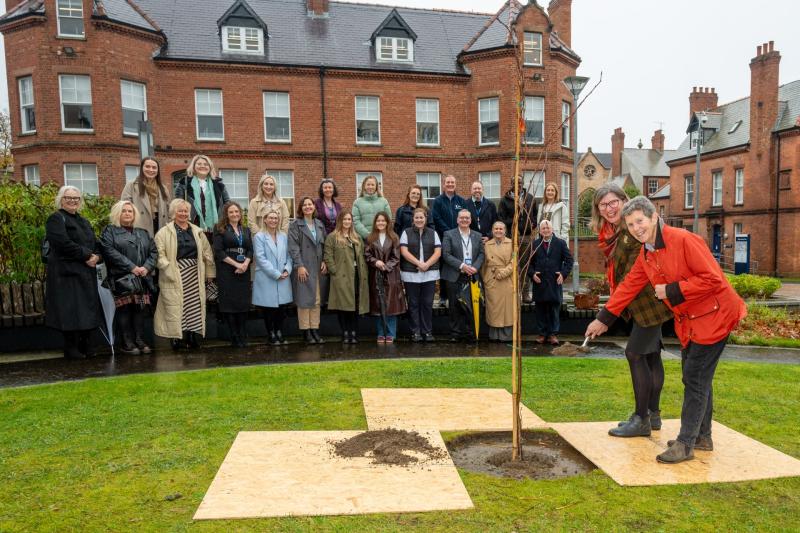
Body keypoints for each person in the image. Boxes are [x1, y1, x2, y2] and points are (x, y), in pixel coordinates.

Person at [585, 196, 747, 464]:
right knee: (697, 377)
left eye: (640, 221)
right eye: (631, 224)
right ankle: (702, 437)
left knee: (694, 377)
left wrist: (671, 290)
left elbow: (713, 278)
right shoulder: (647, 252)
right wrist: (603, 318)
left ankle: (686, 443)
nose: (637, 228)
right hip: (692, 320)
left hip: (716, 316)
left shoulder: (684, 239)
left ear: (654, 217)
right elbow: (629, 286)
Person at [591, 183, 673, 439]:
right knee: (650, 357)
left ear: (624, 200)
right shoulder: (610, 232)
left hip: (648, 300)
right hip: (637, 301)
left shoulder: (633, 228)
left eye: (613, 201)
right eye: (603, 205)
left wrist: (607, 315)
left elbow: (633, 276)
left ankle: (642, 419)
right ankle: (653, 414)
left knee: (635, 354)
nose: (609, 208)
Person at [45, 185, 103, 359]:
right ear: (61, 200)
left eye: (76, 198)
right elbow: (61, 243)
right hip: (66, 273)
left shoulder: (84, 221)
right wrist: (87, 255)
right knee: (69, 311)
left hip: (85, 272)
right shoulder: (55, 219)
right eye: (68, 198)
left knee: (86, 310)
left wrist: (98, 257)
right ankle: (71, 347)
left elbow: (96, 243)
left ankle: (86, 345)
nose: (72, 201)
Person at [154, 199, 215, 350]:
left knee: (194, 306)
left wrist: (209, 274)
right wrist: (168, 269)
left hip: (195, 273)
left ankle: (192, 337)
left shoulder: (197, 231)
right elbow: (158, 255)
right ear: (173, 213)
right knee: (175, 307)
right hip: (174, 274)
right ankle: (175, 338)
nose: (183, 213)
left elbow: (207, 253)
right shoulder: (163, 232)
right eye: (180, 211)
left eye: (186, 211)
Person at [100, 200, 158, 355]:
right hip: (122, 278)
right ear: (117, 213)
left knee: (140, 310)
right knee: (124, 310)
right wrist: (132, 267)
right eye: (124, 211)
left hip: (142, 278)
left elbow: (154, 252)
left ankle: (139, 340)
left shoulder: (143, 233)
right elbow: (109, 252)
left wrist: (146, 267)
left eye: (130, 211)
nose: (127, 214)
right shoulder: (109, 231)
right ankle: (127, 342)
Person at [324, 210, 369, 343]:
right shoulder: (333, 237)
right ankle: (345, 332)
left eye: (349, 219)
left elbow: (362, 256)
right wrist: (334, 271)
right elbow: (328, 255)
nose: (347, 222)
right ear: (340, 221)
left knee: (355, 306)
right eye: (345, 219)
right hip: (341, 277)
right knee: (343, 307)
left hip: (356, 276)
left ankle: (353, 332)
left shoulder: (357, 237)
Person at [212, 201, 253, 348]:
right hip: (227, 271)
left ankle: (242, 334)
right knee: (230, 305)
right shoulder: (219, 229)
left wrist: (245, 264)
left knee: (242, 304)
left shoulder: (246, 230)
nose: (235, 214)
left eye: (237, 211)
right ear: (226, 215)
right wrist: (237, 265)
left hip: (244, 271)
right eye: (231, 212)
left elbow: (250, 250)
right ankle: (234, 336)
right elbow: (219, 251)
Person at [288, 197, 328, 344]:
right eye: (304, 205)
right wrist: (299, 265)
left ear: (314, 207)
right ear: (301, 208)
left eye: (310, 204)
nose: (307, 207)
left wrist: (325, 261)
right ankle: (306, 332)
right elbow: (293, 247)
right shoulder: (295, 225)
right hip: (304, 267)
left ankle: (314, 329)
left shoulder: (319, 224)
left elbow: (324, 245)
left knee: (316, 300)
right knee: (304, 301)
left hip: (318, 267)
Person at [441, 209, 484, 342]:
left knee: (470, 305)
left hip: (472, 275)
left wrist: (474, 268)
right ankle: (455, 333)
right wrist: (462, 266)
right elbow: (446, 254)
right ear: (457, 220)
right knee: (454, 306)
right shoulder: (448, 234)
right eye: (462, 218)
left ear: (471, 220)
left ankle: (470, 332)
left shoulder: (477, 235)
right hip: (454, 275)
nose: (464, 220)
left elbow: (482, 254)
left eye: (467, 218)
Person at [399, 208, 441, 342]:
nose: (419, 220)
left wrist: (427, 264)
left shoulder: (433, 233)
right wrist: (419, 263)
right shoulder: (406, 232)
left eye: (421, 217)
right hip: (411, 274)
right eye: (416, 218)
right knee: (413, 304)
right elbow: (404, 251)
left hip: (429, 273)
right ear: (413, 219)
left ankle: (427, 332)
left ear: (426, 219)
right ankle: (415, 332)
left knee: (427, 303)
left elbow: (438, 252)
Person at [365, 212, 406, 343]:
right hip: (375, 275)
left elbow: (396, 257)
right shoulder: (370, 238)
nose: (381, 223)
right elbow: (367, 255)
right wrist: (375, 262)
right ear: (375, 223)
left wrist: (386, 266)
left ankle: (391, 333)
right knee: (378, 306)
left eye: (383, 221)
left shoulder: (394, 237)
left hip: (391, 275)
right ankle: (381, 332)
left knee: (391, 306)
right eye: (378, 221)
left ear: (388, 222)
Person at [253, 210, 293, 346]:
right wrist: (276, 273)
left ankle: (279, 332)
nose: (273, 220)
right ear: (264, 219)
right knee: (269, 309)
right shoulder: (259, 236)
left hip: (283, 276)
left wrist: (287, 269)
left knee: (282, 308)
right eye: (270, 218)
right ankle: (271, 334)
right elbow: (260, 258)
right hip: (267, 277)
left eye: (276, 218)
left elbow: (289, 256)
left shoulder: (284, 236)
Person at [530, 220, 573, 345]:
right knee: (540, 310)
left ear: (552, 230)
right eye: (543, 228)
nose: (546, 230)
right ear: (540, 230)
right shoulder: (535, 244)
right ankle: (542, 334)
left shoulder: (560, 243)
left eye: (548, 228)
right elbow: (528, 264)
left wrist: (563, 274)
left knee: (554, 309)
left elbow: (569, 261)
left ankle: (553, 334)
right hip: (539, 282)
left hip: (554, 283)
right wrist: (532, 274)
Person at [498, 175, 538, 303]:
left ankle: (525, 293)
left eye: (520, 182)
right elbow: (501, 219)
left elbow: (535, 214)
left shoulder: (530, 198)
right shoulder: (505, 200)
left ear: (523, 183)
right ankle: (513, 293)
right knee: (513, 265)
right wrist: (514, 220)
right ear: (511, 183)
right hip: (511, 237)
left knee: (525, 265)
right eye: (514, 182)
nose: (518, 184)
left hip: (526, 237)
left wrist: (532, 224)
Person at [174, 154, 230, 239]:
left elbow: (228, 204)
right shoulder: (184, 183)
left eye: (205, 164)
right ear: (193, 166)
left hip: (216, 228)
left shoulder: (219, 184)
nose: (202, 166)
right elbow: (177, 205)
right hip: (191, 226)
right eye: (199, 164)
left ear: (210, 167)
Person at [431, 175, 466, 306]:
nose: (450, 184)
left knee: (458, 265)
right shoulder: (438, 201)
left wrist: (457, 233)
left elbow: (464, 218)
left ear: (455, 184)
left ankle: (459, 295)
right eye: (448, 182)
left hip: (459, 238)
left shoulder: (461, 201)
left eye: (452, 182)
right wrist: (449, 232)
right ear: (444, 184)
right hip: (443, 238)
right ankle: (443, 296)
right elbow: (436, 218)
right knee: (444, 267)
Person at [120, 157, 171, 237]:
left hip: (160, 224)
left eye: (154, 168)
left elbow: (169, 209)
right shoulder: (131, 185)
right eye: (147, 166)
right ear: (142, 168)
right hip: (140, 225)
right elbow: (124, 208)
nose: (151, 170)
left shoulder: (163, 188)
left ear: (157, 171)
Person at [480, 221, 514, 342]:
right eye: (496, 229)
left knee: (507, 309)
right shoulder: (487, 245)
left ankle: (506, 336)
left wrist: (504, 273)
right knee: (493, 308)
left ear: (505, 231)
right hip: (492, 279)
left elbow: (514, 261)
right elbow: (483, 264)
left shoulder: (512, 243)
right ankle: (494, 336)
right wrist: (486, 279)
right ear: (492, 231)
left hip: (507, 279)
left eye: (501, 229)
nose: (498, 231)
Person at [352, 175, 391, 240]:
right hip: (363, 239)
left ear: (376, 187)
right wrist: (367, 235)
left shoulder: (384, 201)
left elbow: (388, 219)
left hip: (381, 238)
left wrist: (380, 234)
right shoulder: (357, 202)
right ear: (364, 186)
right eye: (368, 184)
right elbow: (356, 221)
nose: (370, 187)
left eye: (372, 185)